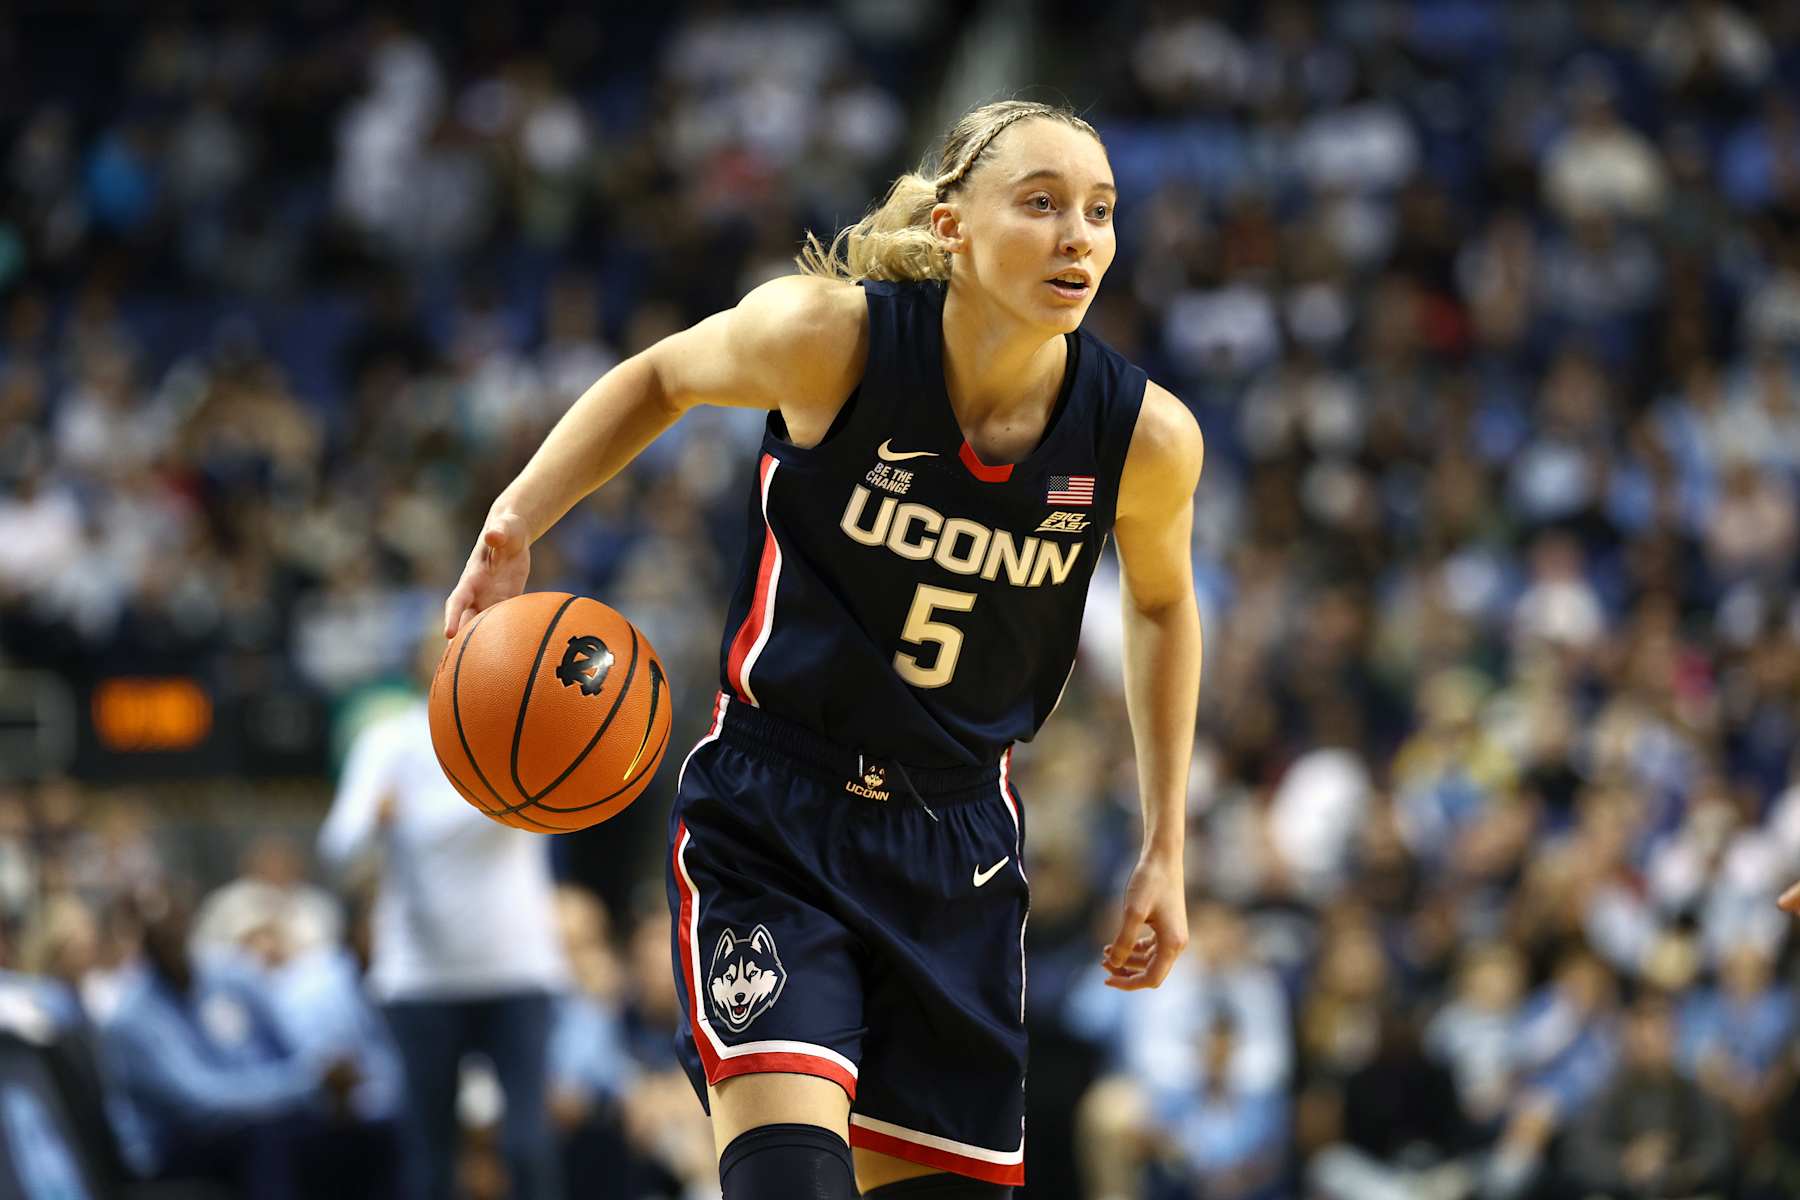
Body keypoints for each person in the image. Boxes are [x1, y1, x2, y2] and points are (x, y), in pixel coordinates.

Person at [443, 97, 1205, 1198]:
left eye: (1100, 210)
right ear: (952, 228)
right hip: (775, 815)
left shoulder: (1143, 438)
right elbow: (661, 376)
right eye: (1040, 205)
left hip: (960, 845)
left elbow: (1164, 606)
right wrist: (516, 521)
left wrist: (1165, 844)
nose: (1078, 234)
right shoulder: (832, 339)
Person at [319, 636, 569, 1200]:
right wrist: (374, 821)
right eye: (441, 654)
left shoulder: (515, 732)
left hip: (518, 968)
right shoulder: (389, 741)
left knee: (528, 1147)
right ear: (419, 668)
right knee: (430, 1154)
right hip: (420, 975)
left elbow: (553, 808)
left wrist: (418, 821)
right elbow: (338, 842)